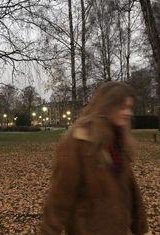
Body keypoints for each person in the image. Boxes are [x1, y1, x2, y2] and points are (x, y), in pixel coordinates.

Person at [41, 81, 151, 235]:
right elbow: (59, 198)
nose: (128, 113)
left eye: (129, 108)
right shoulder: (78, 141)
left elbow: (132, 193)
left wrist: (142, 229)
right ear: (107, 106)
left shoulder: (117, 141)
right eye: (123, 107)